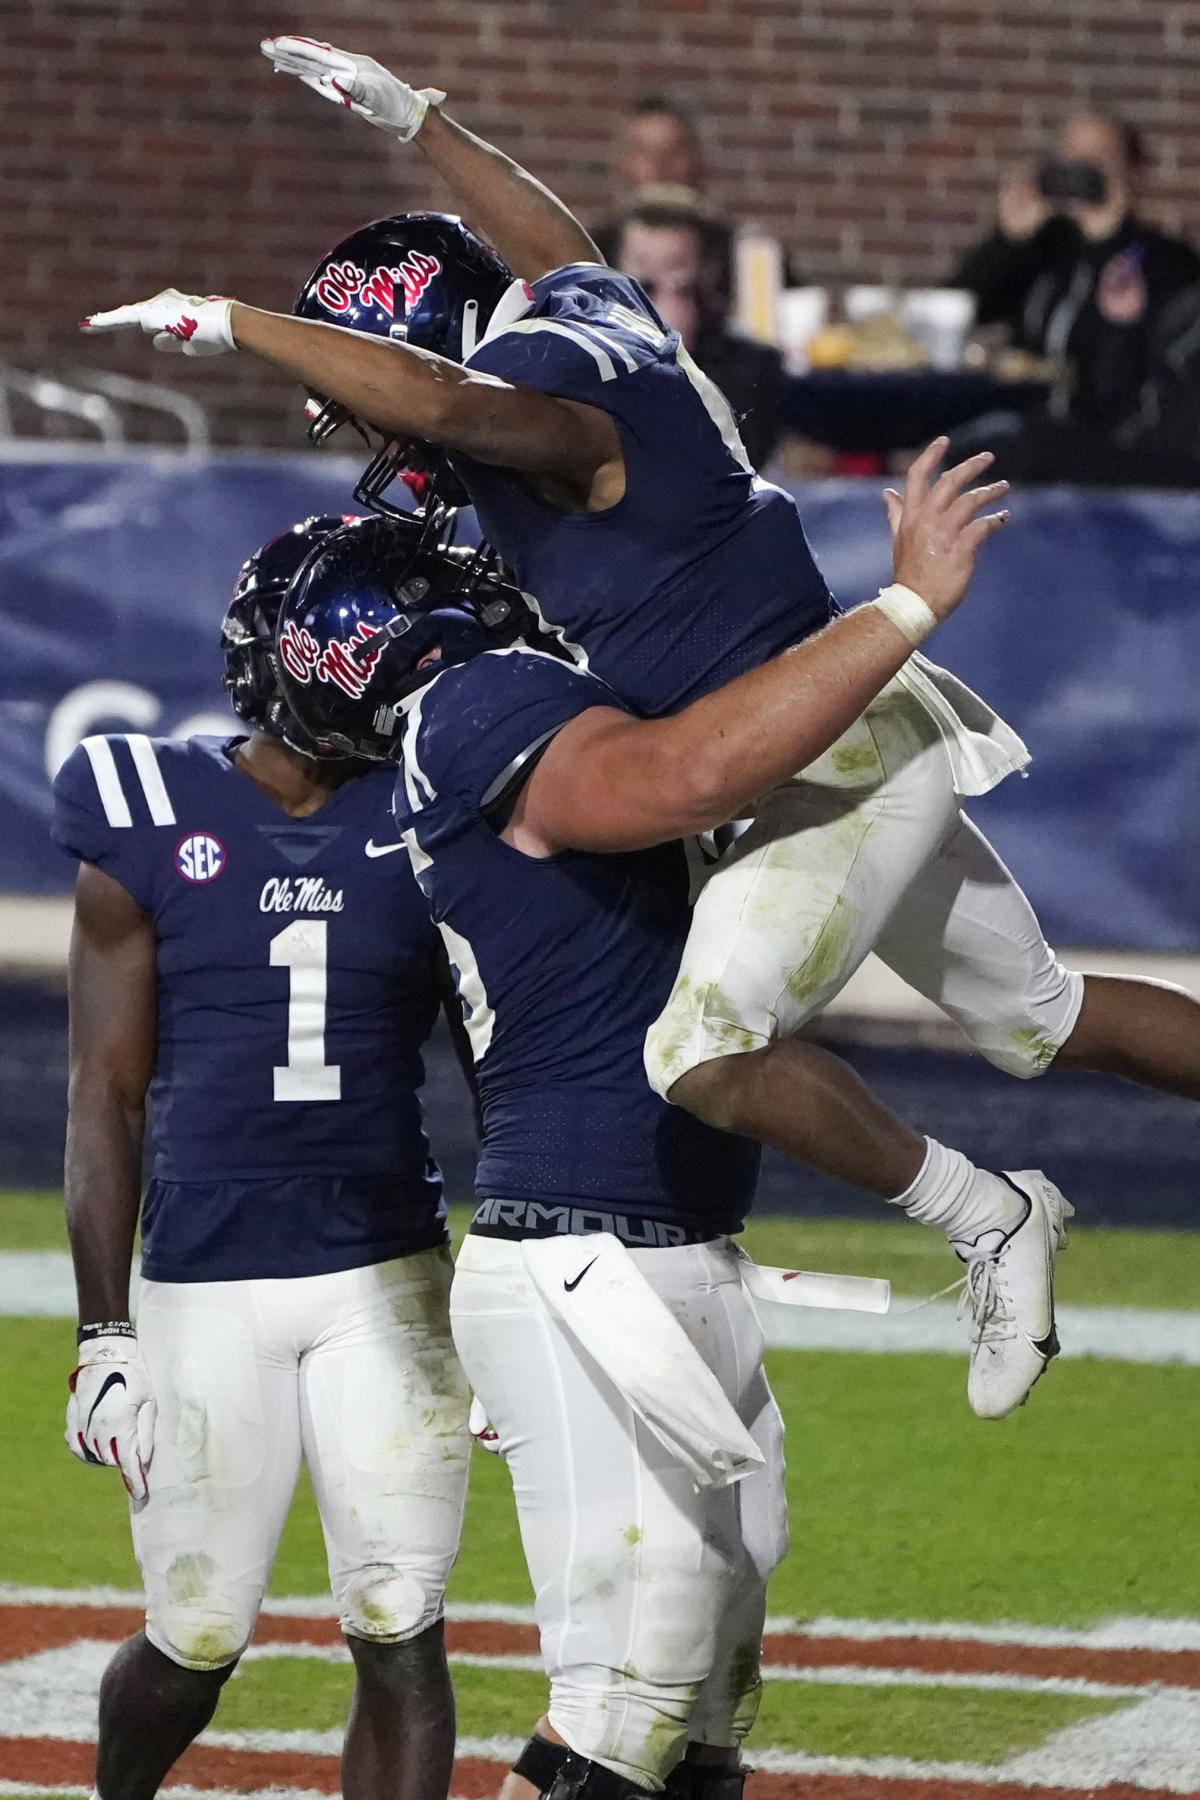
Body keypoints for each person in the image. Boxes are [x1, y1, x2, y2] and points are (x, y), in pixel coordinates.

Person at [82, 36, 1200, 1426]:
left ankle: (989, 1214)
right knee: (1049, 1017)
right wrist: (422, 119)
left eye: (362, 380)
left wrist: (228, 315)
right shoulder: (589, 315)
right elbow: (546, 238)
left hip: (818, 754)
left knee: (704, 1047)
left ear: (421, 348)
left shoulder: (549, 411)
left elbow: (440, 400)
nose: (366, 427)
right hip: (844, 726)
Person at [268, 447, 1006, 1800]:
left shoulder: (505, 699)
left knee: (711, 1692)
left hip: (671, 1238)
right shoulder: (479, 706)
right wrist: (899, 613)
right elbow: (682, 778)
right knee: (636, 1679)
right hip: (580, 1249)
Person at [52, 518, 472, 1800]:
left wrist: (531, 1263)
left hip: (387, 1274)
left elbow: (507, 1070)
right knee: (195, 1639)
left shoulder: (437, 813)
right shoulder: (142, 808)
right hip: (204, 1279)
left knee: (400, 1622)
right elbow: (104, 1093)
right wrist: (104, 1334)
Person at [952, 112, 1200, 483]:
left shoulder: (1164, 260)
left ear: (1131, 172)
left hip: (1116, 445)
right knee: (966, 449)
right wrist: (1009, 240)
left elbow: (1146, 388)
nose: (1082, 167)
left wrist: (1106, 241)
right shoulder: (1043, 250)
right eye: (1070, 156)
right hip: (1025, 426)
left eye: (1099, 157)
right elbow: (955, 311)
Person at [610, 196, 785, 469]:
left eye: (672, 267)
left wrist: (675, 353)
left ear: (706, 273)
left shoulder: (751, 364)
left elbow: (732, 461)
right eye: (641, 267)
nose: (653, 290)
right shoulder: (593, 351)